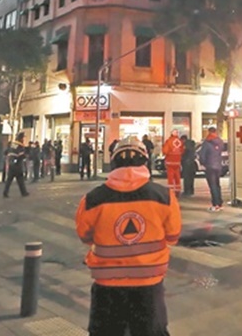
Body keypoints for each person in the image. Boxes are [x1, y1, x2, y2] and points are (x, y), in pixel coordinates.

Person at [75, 136, 181, 336]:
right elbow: (173, 235)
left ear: (114, 162)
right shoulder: (164, 196)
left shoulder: (92, 199)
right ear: (145, 161)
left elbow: (85, 235)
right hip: (148, 287)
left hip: (107, 288)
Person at [197, 127, 226, 211]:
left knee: (212, 185)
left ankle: (215, 204)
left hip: (210, 166)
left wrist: (203, 163)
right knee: (217, 185)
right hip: (218, 166)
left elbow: (202, 155)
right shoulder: (220, 141)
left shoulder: (207, 142)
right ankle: (220, 203)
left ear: (209, 132)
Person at [161, 131, 184, 196]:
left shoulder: (169, 141)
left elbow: (165, 151)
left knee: (170, 177)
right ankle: (177, 191)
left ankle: (171, 191)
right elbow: (182, 151)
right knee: (177, 176)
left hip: (170, 161)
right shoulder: (180, 141)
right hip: (177, 162)